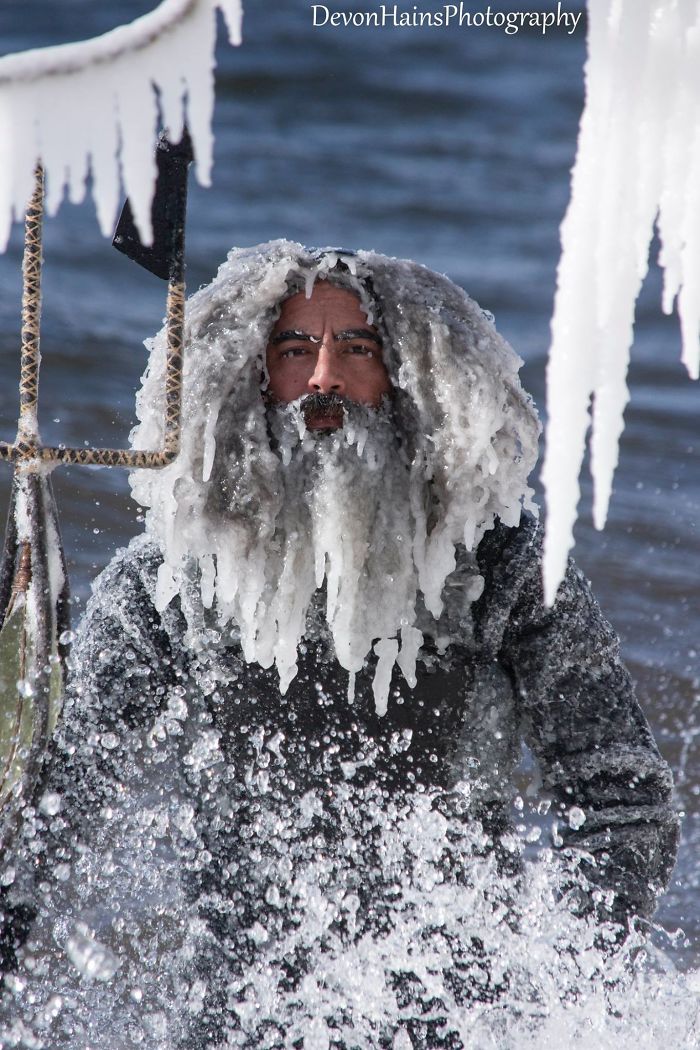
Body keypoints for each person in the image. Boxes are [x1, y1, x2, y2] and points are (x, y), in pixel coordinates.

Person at [0, 241, 680, 1047]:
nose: (324, 379)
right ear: (248, 376)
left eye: (356, 348)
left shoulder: (500, 566)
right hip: (238, 1020)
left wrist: (550, 994)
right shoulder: (171, 583)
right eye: (294, 350)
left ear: (412, 377)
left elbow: (625, 803)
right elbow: (53, 811)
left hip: (461, 1023)